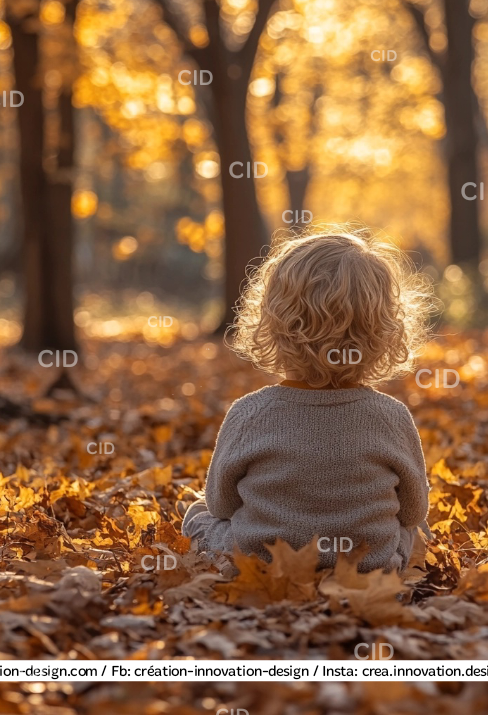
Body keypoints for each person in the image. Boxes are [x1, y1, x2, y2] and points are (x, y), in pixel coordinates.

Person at [182, 225, 433, 572]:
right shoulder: (392, 416)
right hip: (369, 567)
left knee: (197, 511)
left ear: (273, 323)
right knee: (417, 527)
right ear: (386, 331)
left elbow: (221, 504)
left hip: (262, 563)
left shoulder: (249, 413)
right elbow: (413, 509)